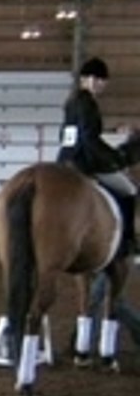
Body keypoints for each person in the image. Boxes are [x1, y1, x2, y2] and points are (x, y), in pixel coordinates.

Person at [57, 57, 137, 255]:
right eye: (93, 79)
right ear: (84, 80)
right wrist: (114, 159)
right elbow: (90, 139)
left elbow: (67, 135)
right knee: (129, 191)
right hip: (85, 162)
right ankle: (125, 243)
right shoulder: (88, 103)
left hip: (65, 160)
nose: (98, 83)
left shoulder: (72, 101)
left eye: (100, 80)